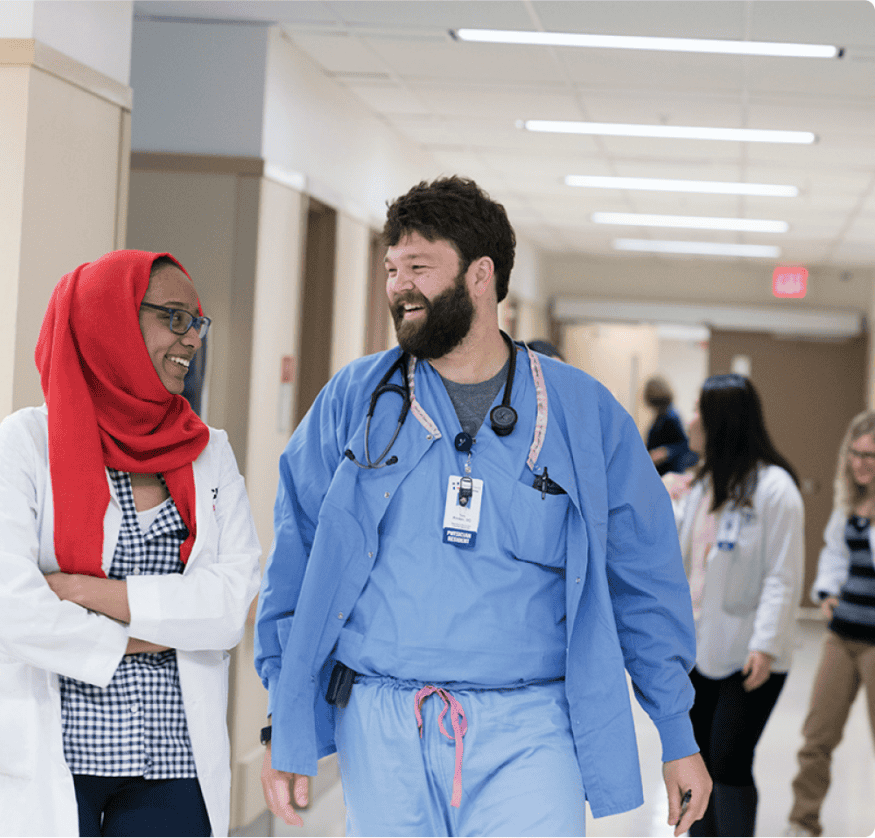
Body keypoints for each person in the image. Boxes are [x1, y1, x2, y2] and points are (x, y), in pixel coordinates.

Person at [254, 176, 711, 837]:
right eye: (390, 269)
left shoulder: (583, 415)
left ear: (480, 275)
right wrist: (283, 715)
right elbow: (295, 560)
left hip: (530, 725)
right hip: (383, 721)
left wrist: (676, 730)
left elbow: (643, 578)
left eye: (418, 266)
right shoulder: (357, 399)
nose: (398, 286)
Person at [0, 250, 261, 837]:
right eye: (174, 317)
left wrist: (88, 593)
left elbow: (227, 605)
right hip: (53, 754)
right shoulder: (27, 443)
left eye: (196, 321)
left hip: (172, 760)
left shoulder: (208, 451)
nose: (191, 338)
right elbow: (6, 607)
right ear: (110, 320)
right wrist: (152, 635)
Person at [667, 374, 804, 837]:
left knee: (728, 759)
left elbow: (782, 577)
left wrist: (764, 645)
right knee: (700, 761)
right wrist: (663, 494)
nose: (690, 421)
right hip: (700, 648)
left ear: (721, 422)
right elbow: (673, 554)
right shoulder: (702, 484)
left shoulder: (775, 490)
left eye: (700, 411)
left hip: (752, 655)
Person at [785, 410, 875, 837]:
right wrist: (826, 594)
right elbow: (834, 556)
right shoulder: (848, 504)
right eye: (856, 454)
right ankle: (803, 821)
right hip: (843, 636)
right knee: (817, 736)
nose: (862, 464)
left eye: (871, 456)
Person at [644, 375, 697, 476]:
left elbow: (685, 446)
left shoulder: (671, 416)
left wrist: (666, 451)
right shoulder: (660, 416)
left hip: (669, 470)